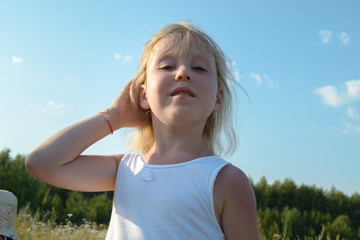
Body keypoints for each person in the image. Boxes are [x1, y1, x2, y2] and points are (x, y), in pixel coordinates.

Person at [25, 22, 260, 239]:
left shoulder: (226, 180)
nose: (183, 73)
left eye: (199, 68)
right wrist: (113, 118)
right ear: (144, 95)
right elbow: (41, 163)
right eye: (167, 65)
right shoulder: (124, 170)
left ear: (218, 99)